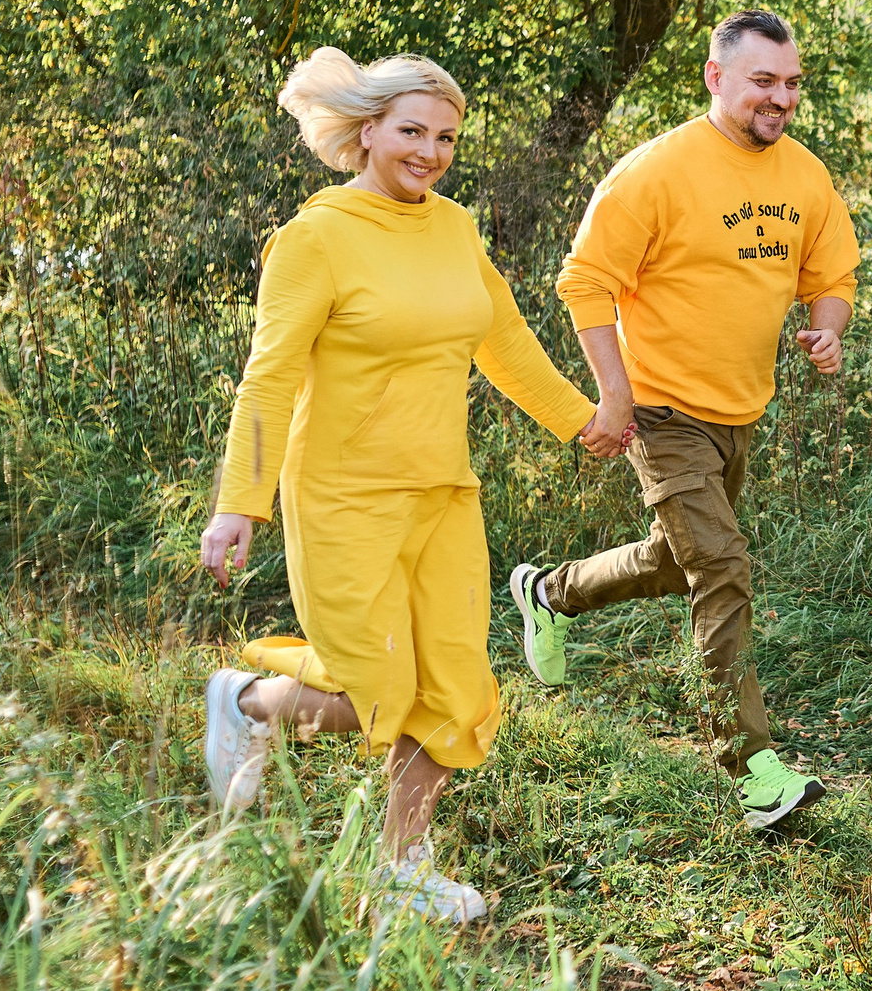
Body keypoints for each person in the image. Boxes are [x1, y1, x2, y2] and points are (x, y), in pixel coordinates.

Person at [198, 48, 599, 924]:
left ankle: (401, 866)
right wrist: (240, 501)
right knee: (368, 688)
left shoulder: (453, 227)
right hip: (342, 494)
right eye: (412, 129)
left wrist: (584, 419)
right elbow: (268, 377)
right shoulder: (316, 237)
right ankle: (251, 701)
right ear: (368, 129)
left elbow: (504, 340)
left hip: (441, 494)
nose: (430, 150)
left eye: (447, 136)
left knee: (456, 692)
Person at [506, 8, 858, 831]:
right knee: (724, 566)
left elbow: (830, 269)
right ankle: (753, 769)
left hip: (739, 412)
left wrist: (830, 325)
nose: (781, 98)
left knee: (679, 563)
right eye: (763, 82)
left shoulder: (805, 175)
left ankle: (549, 593)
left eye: (791, 83)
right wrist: (615, 394)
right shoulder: (654, 172)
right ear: (716, 77)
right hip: (662, 412)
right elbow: (584, 282)